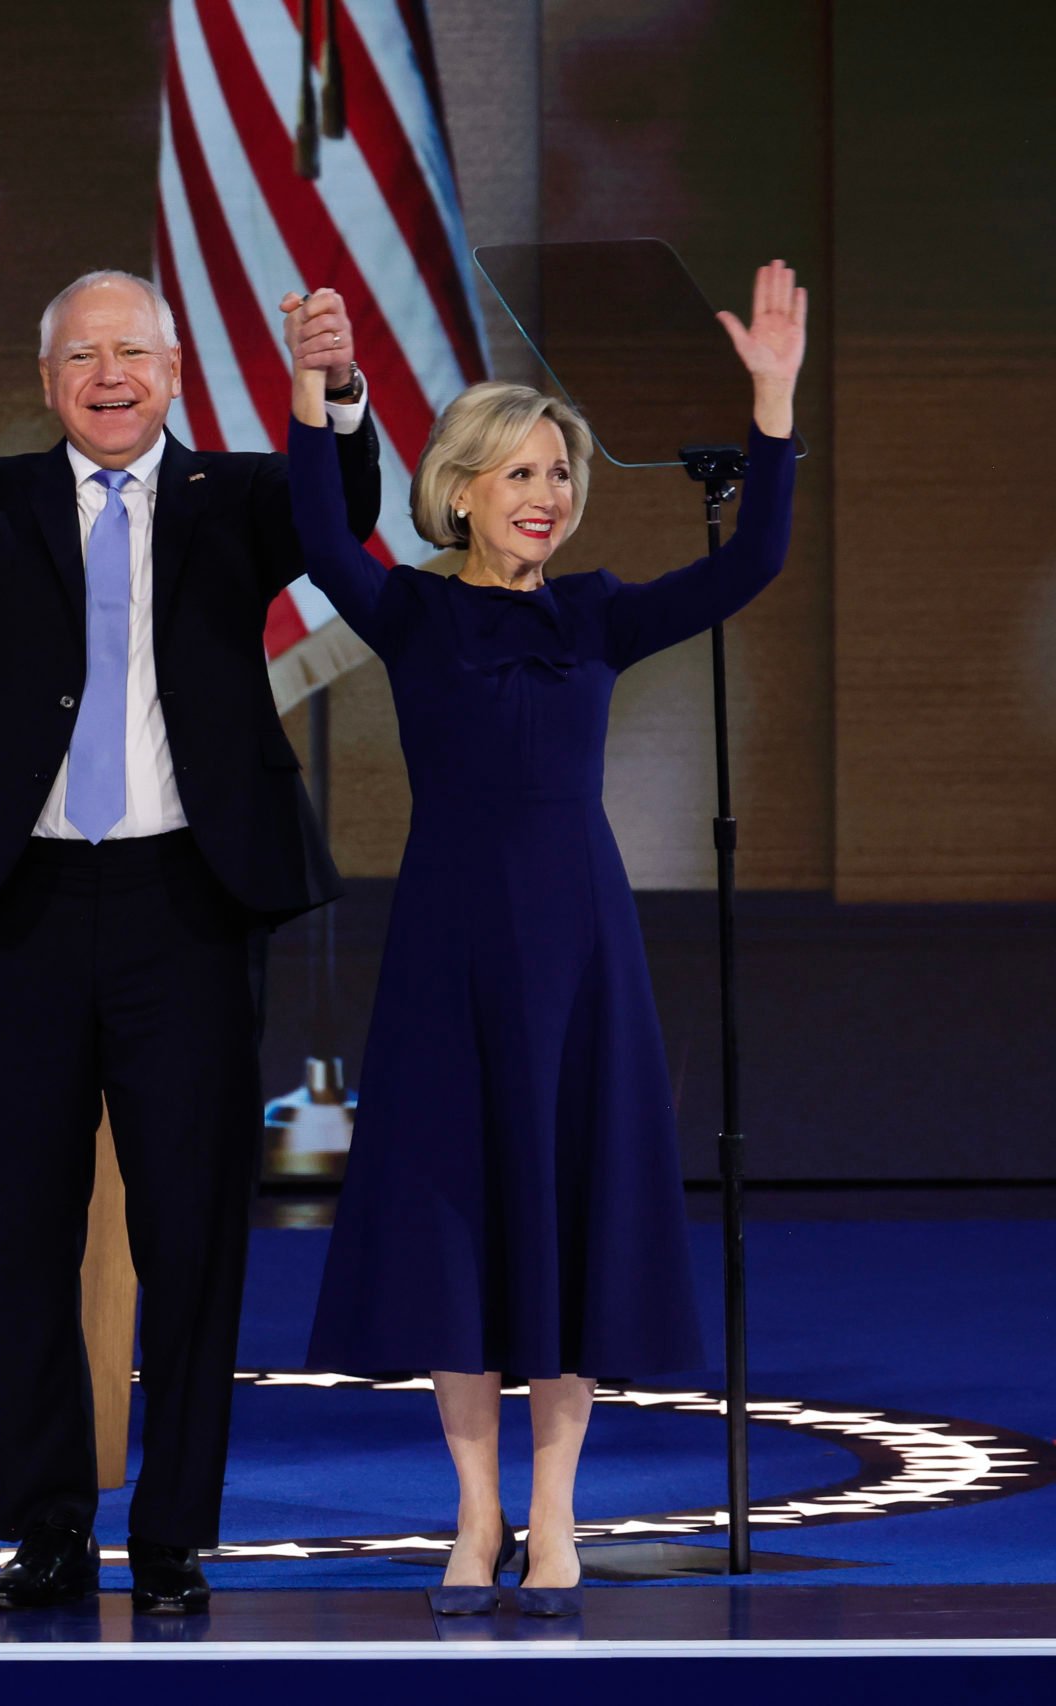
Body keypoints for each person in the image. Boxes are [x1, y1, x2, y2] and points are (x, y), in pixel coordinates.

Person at [0, 274, 381, 1613]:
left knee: (191, 1233)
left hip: (191, 900)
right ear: (46, 375)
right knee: (29, 1228)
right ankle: (48, 1524)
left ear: (174, 371)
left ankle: (174, 1532)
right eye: (82, 356)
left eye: (132, 352)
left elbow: (341, 515)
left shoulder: (238, 498)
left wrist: (334, 394)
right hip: (30, 904)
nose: (108, 374)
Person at [290, 263, 806, 1617]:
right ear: (460, 487)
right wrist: (313, 401)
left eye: (558, 475)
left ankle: (559, 1518)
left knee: (566, 1220)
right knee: (462, 1229)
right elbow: (320, 538)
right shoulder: (409, 611)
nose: (545, 495)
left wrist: (773, 408)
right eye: (518, 472)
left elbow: (752, 558)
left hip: (581, 950)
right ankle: (474, 1517)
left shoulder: (596, 613)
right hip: (448, 951)